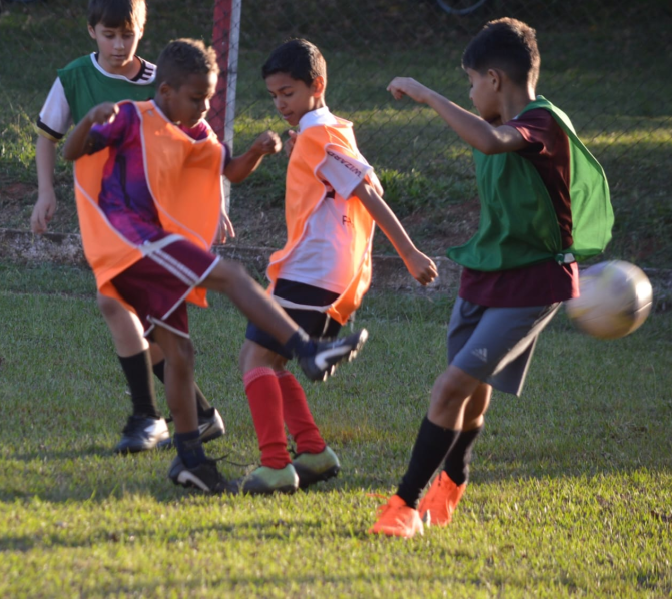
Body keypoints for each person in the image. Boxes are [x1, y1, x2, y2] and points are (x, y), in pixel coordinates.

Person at [63, 38, 370, 492]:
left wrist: (257, 153)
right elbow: (72, 153)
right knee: (230, 275)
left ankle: (190, 460)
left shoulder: (198, 134)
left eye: (209, 98)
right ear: (165, 92)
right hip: (132, 242)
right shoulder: (131, 116)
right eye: (196, 98)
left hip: (154, 251)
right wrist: (89, 120)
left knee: (181, 356)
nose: (206, 107)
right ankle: (307, 349)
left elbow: (230, 170)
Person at [369, 18, 613, 537]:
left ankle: (403, 506)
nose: (470, 91)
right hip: (487, 273)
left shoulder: (541, 124)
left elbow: (490, 139)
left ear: (495, 79)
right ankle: (454, 478)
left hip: (533, 284)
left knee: (451, 385)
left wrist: (424, 93)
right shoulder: (510, 116)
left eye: (471, 81)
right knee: (469, 384)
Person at [230, 39, 438, 495]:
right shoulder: (321, 132)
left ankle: (276, 465)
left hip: (313, 273)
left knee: (256, 361)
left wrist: (409, 253)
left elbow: (367, 194)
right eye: (274, 95)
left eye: (287, 92)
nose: (280, 103)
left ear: (316, 86)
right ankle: (313, 453)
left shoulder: (322, 135)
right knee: (268, 361)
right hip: (313, 272)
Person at [29, 0, 225, 455]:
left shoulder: (162, 81)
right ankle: (199, 416)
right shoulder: (73, 77)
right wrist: (45, 191)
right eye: (109, 34)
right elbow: (48, 137)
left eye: (128, 35)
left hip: (149, 217)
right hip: (102, 216)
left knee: (114, 300)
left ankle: (147, 416)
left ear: (142, 30)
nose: (119, 45)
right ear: (91, 31)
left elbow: (200, 145)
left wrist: (212, 203)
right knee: (140, 316)